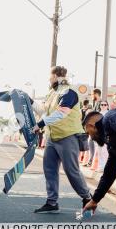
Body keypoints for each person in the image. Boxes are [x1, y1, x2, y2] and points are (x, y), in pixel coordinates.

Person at [33, 65, 93, 213]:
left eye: (50, 76)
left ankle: (88, 198)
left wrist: (40, 124)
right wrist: (29, 100)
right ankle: (52, 202)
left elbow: (61, 113)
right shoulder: (52, 93)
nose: (49, 79)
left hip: (68, 136)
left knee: (71, 171)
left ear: (57, 77)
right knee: (50, 169)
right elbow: (43, 110)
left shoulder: (69, 91)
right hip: (52, 138)